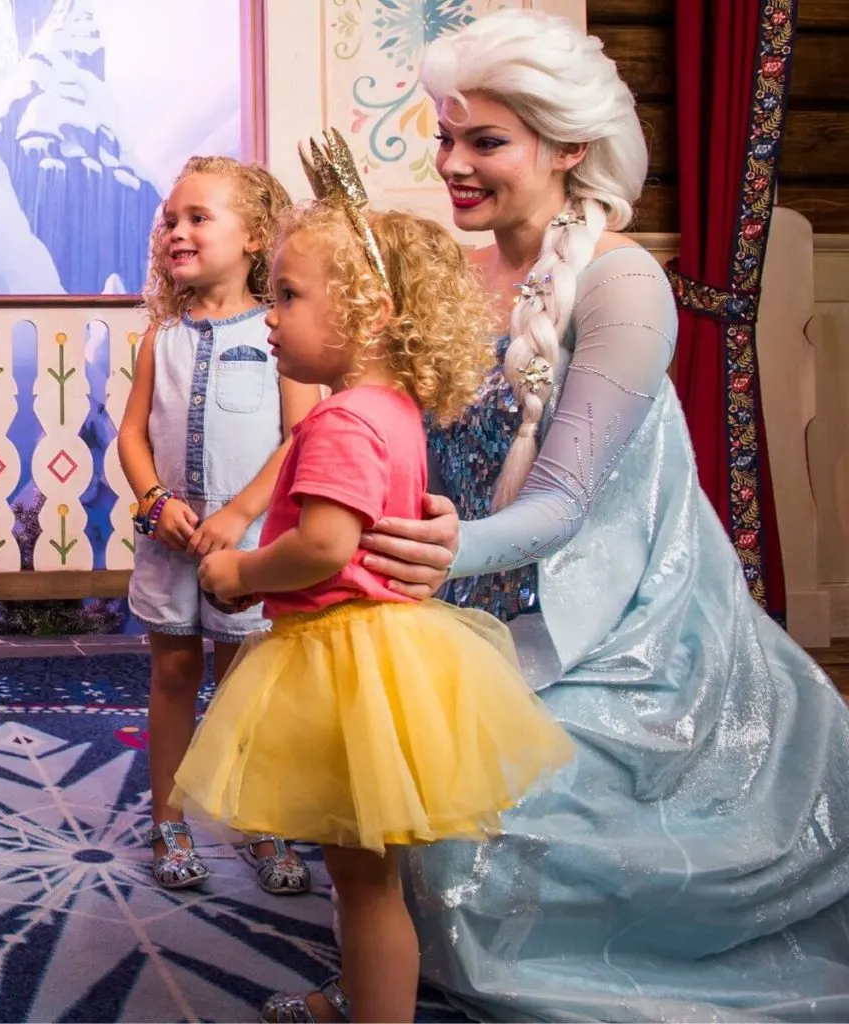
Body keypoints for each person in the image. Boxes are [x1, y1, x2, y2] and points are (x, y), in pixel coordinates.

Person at [347, 8, 849, 1021]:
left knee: (460, 832)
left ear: (568, 146)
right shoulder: (463, 275)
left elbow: (563, 504)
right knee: (367, 776)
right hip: (474, 604)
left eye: (484, 141)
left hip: (623, 633)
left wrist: (444, 552)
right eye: (445, 137)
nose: (452, 163)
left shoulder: (623, 282)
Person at [172, 130, 575, 1024]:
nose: (268, 316)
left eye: (287, 296)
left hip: (346, 663)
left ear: (370, 315)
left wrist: (241, 568)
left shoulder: (344, 420)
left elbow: (322, 545)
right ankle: (367, 998)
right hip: (384, 656)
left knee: (362, 884)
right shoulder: (392, 409)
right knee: (367, 880)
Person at [117, 155, 319, 896]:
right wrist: (153, 500)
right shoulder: (158, 338)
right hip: (170, 544)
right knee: (173, 672)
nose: (178, 230)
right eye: (171, 218)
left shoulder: (282, 334)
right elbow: (132, 434)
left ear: (257, 234)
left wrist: (239, 515)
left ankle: (261, 820)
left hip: (252, 549)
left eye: (200, 217)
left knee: (247, 689)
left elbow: (300, 438)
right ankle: (169, 821)